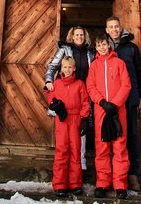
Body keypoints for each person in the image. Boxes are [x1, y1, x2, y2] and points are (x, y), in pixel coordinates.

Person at [105, 16, 141, 191]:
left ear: (120, 28)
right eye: (111, 27)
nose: (115, 30)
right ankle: (111, 174)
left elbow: (140, 73)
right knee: (109, 136)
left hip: (129, 99)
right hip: (109, 101)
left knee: (130, 135)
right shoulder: (103, 48)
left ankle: (131, 174)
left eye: (117, 26)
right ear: (106, 30)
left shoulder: (131, 48)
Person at [86, 34, 131, 199]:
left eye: (104, 44)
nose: (102, 47)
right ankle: (103, 183)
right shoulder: (94, 66)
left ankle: (120, 185)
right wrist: (102, 102)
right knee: (102, 147)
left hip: (118, 111)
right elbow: (90, 87)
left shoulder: (119, 63)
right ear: (96, 48)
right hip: (101, 110)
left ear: (108, 45)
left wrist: (115, 104)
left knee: (119, 147)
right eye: (99, 45)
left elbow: (126, 85)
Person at [45, 26, 95, 169]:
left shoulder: (90, 53)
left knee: (82, 127)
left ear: (85, 37)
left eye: (82, 35)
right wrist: (49, 80)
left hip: (83, 92)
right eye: (77, 35)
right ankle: (64, 163)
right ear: (72, 37)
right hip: (66, 92)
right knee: (65, 129)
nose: (79, 37)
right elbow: (52, 66)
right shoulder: (65, 50)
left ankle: (81, 162)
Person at [46, 56, 91, 197]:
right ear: (61, 69)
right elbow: (51, 98)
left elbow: (85, 102)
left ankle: (75, 183)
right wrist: (57, 107)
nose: (67, 69)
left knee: (75, 151)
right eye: (65, 67)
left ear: (74, 69)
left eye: (70, 67)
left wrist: (84, 118)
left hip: (76, 119)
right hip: (62, 120)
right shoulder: (57, 83)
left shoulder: (79, 84)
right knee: (62, 150)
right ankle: (60, 184)